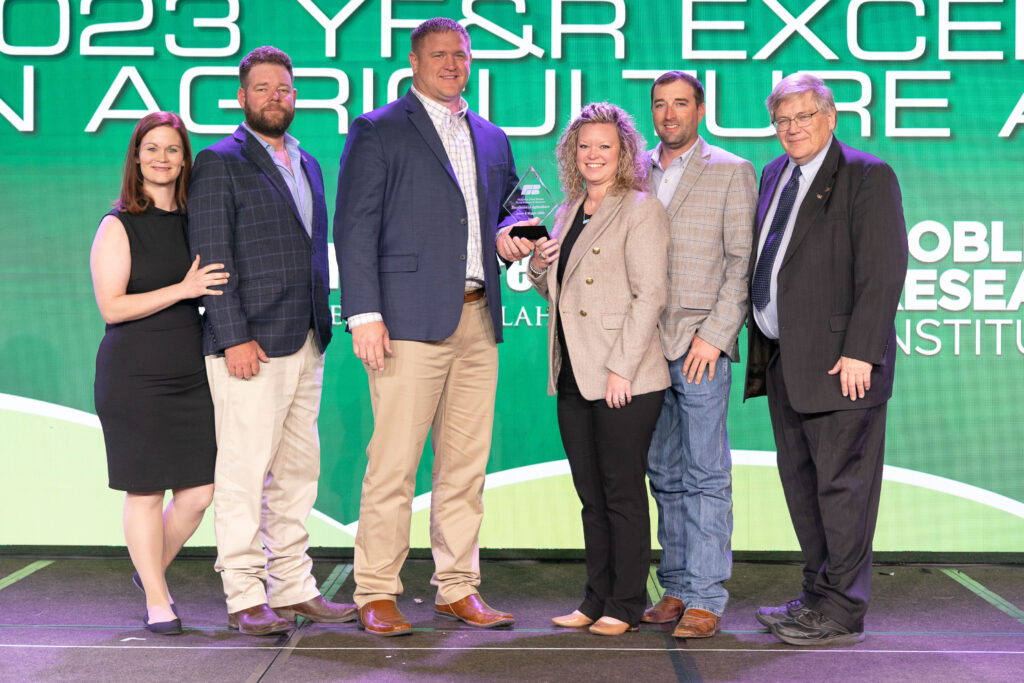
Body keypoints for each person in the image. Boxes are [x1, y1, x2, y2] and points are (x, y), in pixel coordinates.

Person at [334, 17, 534, 636]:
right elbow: (354, 226)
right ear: (415, 63)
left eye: (461, 55)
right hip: (407, 323)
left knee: (465, 467)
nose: (452, 64)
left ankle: (457, 587)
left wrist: (516, 233)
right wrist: (364, 313)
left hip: (478, 318)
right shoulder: (379, 129)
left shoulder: (491, 135)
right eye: (439, 55)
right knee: (393, 463)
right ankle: (375, 590)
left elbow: (515, 204)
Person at [187, 46, 355, 636]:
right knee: (242, 474)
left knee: (296, 473)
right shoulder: (218, 161)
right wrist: (232, 335)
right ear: (242, 96)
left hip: (306, 338)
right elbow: (211, 254)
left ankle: (292, 586)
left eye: (283, 88)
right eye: (262, 89)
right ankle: (242, 594)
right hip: (248, 346)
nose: (274, 97)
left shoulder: (305, 162)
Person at [744, 73, 908, 646]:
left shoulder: (866, 175)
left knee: (843, 490)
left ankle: (842, 611)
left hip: (844, 365)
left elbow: (883, 272)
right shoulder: (773, 175)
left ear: (830, 117)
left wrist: (861, 351)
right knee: (805, 487)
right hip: (786, 361)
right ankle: (816, 594)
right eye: (782, 120)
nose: (792, 129)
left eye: (803, 117)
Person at [526, 102, 669, 636]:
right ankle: (595, 598)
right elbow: (556, 293)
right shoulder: (566, 210)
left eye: (604, 146)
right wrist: (540, 267)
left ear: (624, 152)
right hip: (571, 371)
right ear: (572, 153)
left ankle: (627, 603)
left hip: (622, 376)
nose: (593, 155)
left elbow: (650, 294)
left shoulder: (640, 208)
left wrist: (621, 368)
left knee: (622, 493)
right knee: (591, 495)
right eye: (584, 146)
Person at [91, 111, 226, 635]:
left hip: (190, 371)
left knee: (198, 493)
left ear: (185, 158)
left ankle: (149, 570)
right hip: (133, 374)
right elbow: (112, 307)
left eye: (172, 149)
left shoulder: (197, 219)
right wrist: (182, 291)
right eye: (152, 148)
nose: (162, 158)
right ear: (136, 157)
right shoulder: (118, 224)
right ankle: (156, 597)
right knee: (145, 491)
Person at [640, 72, 756, 638]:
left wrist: (716, 334)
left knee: (706, 472)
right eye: (660, 105)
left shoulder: (731, 171)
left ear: (700, 110)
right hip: (639, 347)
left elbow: (742, 263)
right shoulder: (631, 169)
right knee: (663, 472)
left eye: (680, 103)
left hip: (701, 345)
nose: (669, 114)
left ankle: (707, 596)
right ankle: (678, 585)